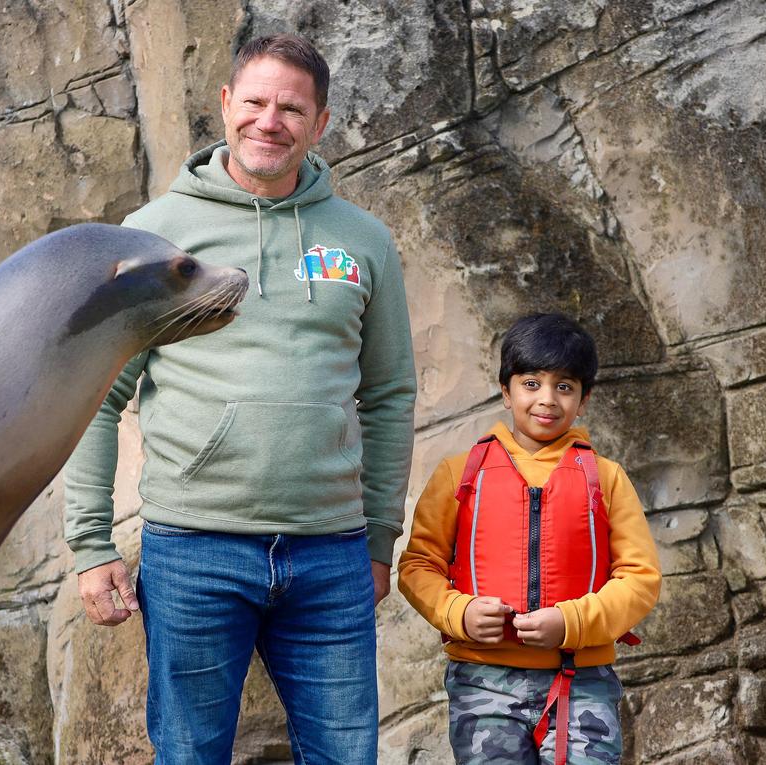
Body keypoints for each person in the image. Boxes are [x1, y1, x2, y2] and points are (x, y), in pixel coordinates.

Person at [63, 33, 416, 764]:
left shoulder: (365, 241)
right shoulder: (155, 235)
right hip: (194, 550)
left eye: (292, 107)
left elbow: (387, 395)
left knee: (349, 755)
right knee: (190, 753)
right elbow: (94, 394)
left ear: (320, 123)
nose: (269, 120)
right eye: (254, 101)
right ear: (225, 106)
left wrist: (379, 535)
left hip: (332, 556)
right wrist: (91, 545)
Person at [397, 313, 660, 764]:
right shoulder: (459, 475)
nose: (547, 399)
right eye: (531, 383)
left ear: (584, 399)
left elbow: (640, 579)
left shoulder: (608, 478)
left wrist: (570, 623)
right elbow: (417, 567)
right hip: (483, 684)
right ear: (506, 390)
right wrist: (457, 612)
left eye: (565, 386)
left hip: (581, 682)